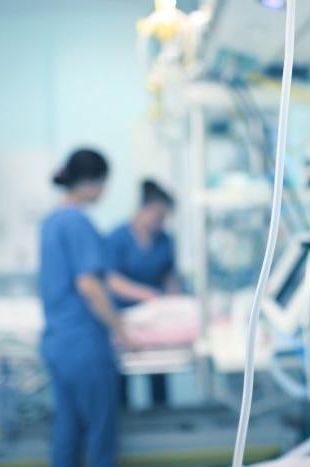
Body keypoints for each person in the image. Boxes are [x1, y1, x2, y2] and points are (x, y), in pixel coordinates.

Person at [39, 148, 126, 467]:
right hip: (84, 344)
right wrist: (119, 328)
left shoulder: (51, 221)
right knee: (100, 436)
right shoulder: (77, 223)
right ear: (92, 183)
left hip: (57, 342)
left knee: (67, 431)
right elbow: (89, 285)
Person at [107, 179, 179, 308]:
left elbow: (170, 278)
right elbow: (111, 280)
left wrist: (174, 304)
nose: (162, 222)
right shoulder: (118, 238)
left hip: (156, 310)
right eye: (159, 216)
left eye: (165, 217)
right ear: (143, 209)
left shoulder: (165, 240)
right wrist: (148, 295)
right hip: (124, 310)